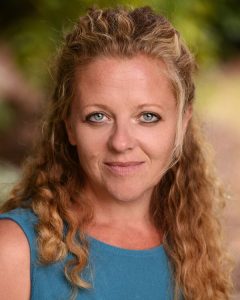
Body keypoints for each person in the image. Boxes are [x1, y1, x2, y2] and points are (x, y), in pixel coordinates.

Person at [0, 6, 232, 300]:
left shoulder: (194, 250)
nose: (121, 143)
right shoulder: (13, 251)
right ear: (70, 126)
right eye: (98, 117)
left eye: (147, 116)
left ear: (182, 124)